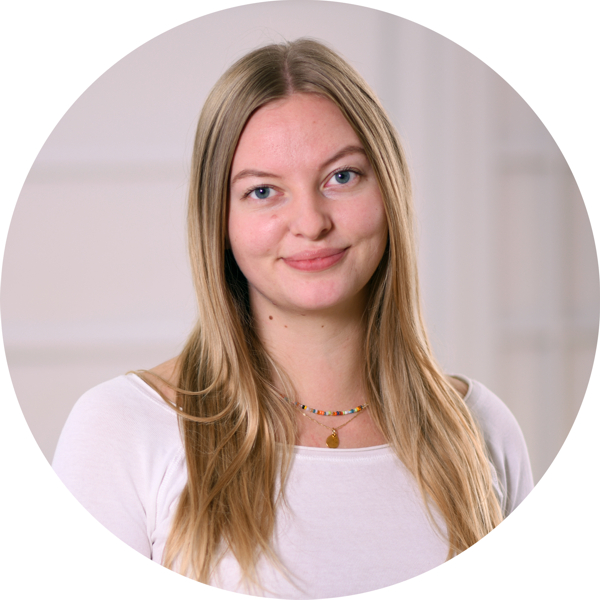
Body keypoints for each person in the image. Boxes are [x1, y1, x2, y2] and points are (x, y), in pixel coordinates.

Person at [53, 39, 533, 598]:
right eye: (263, 191)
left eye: (342, 177)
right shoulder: (122, 430)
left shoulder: (481, 430)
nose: (310, 222)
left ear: (390, 190)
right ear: (219, 221)